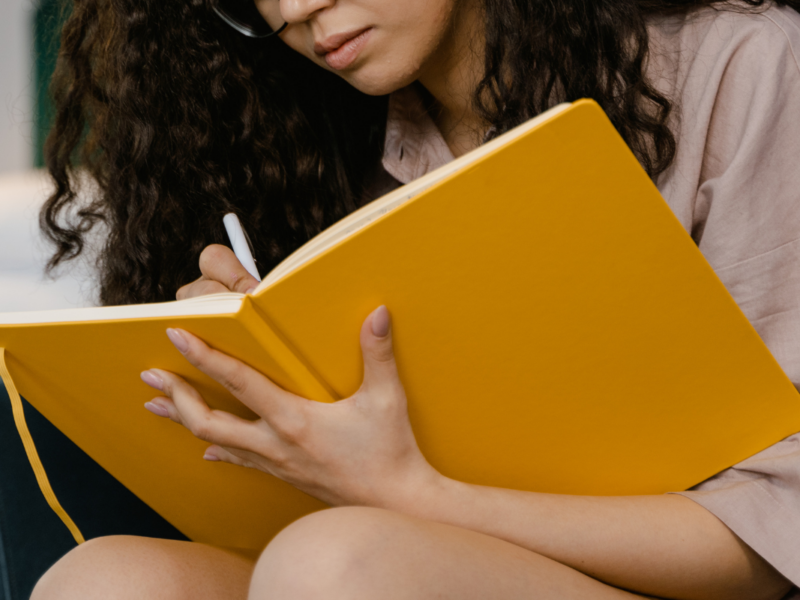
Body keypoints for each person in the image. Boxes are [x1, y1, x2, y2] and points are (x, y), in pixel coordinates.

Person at [28, 0, 800, 598]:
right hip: (400, 564)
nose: (292, 11)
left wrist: (407, 492)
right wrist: (259, 372)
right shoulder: (306, 140)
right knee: (104, 581)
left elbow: (771, 539)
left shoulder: (741, 66)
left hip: (689, 582)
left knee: (331, 566)